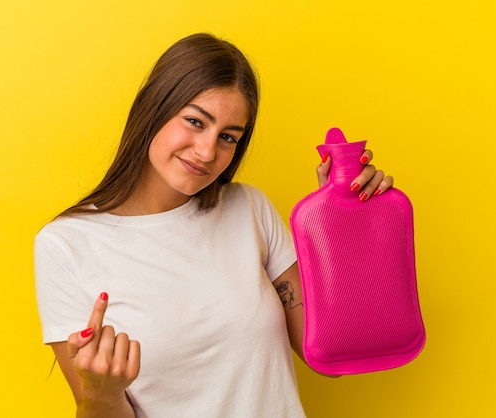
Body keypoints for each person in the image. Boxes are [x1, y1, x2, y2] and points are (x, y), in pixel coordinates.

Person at [34, 33, 394, 418]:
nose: (207, 152)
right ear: (153, 108)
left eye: (227, 137)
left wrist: (341, 225)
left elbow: (329, 356)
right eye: (194, 121)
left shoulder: (249, 208)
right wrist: (102, 395)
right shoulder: (64, 244)